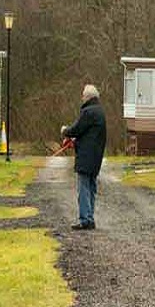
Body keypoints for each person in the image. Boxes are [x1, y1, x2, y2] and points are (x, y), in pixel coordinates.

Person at [61, 84, 107, 230]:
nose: (82, 98)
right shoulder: (100, 112)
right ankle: (90, 218)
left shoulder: (88, 112)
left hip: (86, 157)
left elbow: (76, 129)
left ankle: (85, 219)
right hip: (96, 156)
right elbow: (89, 135)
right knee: (91, 187)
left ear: (87, 97)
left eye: (83, 96)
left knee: (83, 188)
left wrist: (65, 131)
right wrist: (75, 142)